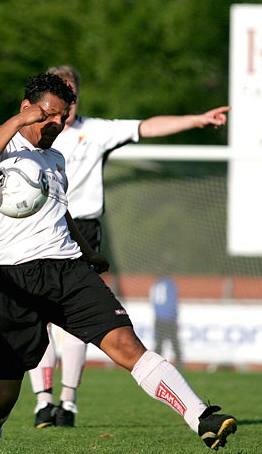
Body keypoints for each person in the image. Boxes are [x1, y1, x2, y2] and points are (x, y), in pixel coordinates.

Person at [0, 72, 236, 454]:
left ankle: (200, 416)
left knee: (126, 345)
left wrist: (89, 254)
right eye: (48, 116)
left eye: (63, 118)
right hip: (12, 277)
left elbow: (60, 210)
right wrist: (19, 124)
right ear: (26, 108)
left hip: (68, 269)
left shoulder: (55, 159)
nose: (56, 125)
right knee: (1, 395)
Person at [27, 65, 230, 428]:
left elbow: (146, 126)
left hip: (82, 230)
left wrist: (194, 120)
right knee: (39, 318)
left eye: (71, 92)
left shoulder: (97, 131)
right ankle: (43, 401)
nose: (66, 103)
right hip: (37, 229)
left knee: (75, 321)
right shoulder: (27, 137)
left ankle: (68, 402)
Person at [150, 274, 182, 366]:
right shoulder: (170, 284)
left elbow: (153, 300)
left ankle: (155, 364)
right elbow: (173, 300)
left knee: (159, 343)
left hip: (159, 318)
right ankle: (180, 364)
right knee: (175, 342)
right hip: (169, 318)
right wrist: (174, 315)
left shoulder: (156, 283)